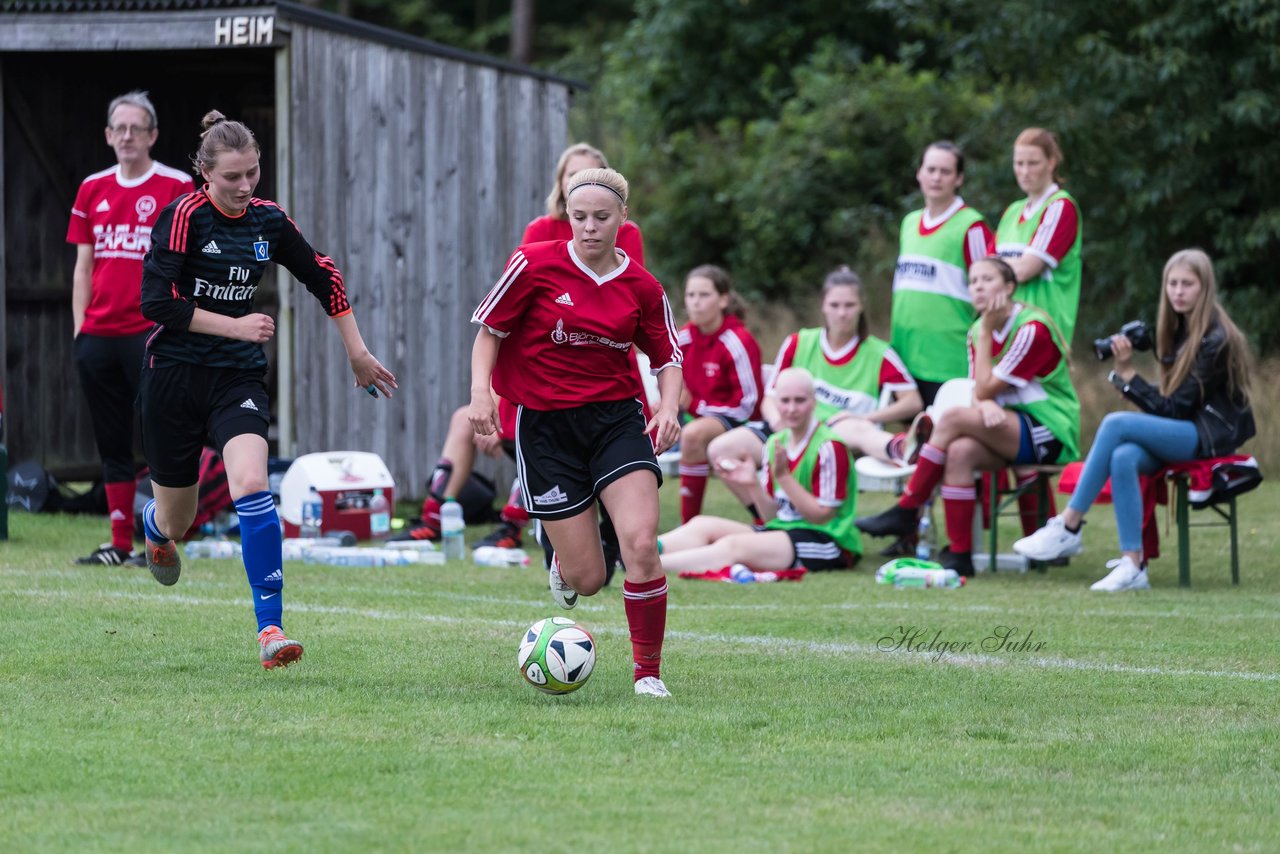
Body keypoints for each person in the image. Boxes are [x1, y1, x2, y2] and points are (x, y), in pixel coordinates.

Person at [138, 110, 396, 668]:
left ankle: (270, 629)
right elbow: (156, 303)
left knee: (253, 484)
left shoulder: (267, 220)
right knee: (178, 519)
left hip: (236, 376)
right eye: (232, 177)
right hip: (174, 377)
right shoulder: (183, 217)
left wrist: (357, 350)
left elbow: (322, 274)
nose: (245, 186)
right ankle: (154, 525)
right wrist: (235, 323)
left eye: (253, 173)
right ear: (205, 175)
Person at [469, 166, 683, 698]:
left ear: (622, 219)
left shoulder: (642, 286)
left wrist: (669, 407)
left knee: (640, 545)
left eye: (601, 218)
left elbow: (668, 356)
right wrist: (480, 394)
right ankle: (566, 562)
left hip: (616, 420)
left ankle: (648, 674)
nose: (588, 227)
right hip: (546, 430)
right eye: (578, 216)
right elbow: (489, 332)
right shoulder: (534, 264)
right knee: (591, 580)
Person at [1013, 249, 1256, 591]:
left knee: (1115, 424)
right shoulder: (1180, 329)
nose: (1178, 291)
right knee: (1123, 456)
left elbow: (1175, 410)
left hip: (1209, 436)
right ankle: (1133, 565)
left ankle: (1068, 526)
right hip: (1188, 429)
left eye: (1188, 284)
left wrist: (1127, 376)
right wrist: (1129, 374)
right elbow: (1175, 403)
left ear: (1205, 289)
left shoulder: (1216, 339)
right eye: (1172, 283)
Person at [855, 256, 1080, 576]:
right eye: (973, 281)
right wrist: (984, 398)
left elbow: (985, 388)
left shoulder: (1031, 329)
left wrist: (987, 345)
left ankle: (907, 508)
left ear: (1010, 288)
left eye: (987, 280)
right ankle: (960, 555)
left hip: (1050, 429)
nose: (978, 287)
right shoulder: (976, 329)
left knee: (951, 419)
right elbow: (979, 391)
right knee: (959, 452)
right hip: (1004, 425)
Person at [66, 91, 193, 566]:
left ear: (152, 135)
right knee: (111, 438)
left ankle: (160, 539)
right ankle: (118, 544)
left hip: (153, 334)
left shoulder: (177, 186)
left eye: (136, 128)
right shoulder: (92, 188)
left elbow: (191, 261)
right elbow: (82, 266)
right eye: (118, 128)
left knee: (160, 434)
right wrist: (80, 331)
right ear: (107, 135)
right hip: (98, 336)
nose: (126, 136)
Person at [707, 266, 921, 526]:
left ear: (861, 307)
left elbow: (913, 402)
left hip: (836, 435)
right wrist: (779, 425)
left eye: (849, 305)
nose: (842, 313)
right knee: (720, 450)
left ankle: (903, 448)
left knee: (853, 426)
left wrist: (867, 416)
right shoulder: (799, 342)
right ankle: (768, 518)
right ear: (823, 306)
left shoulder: (879, 352)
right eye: (835, 304)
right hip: (787, 427)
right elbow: (770, 398)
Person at [659, 367, 860, 575]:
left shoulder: (829, 447)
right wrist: (752, 485)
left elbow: (822, 517)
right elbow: (772, 516)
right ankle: (635, 553)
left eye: (800, 400)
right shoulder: (775, 443)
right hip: (784, 529)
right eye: (785, 401)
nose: (791, 409)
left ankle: (650, 565)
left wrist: (784, 477)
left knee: (733, 546)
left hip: (827, 541)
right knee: (702, 525)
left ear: (814, 402)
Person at [891, 140, 995, 406]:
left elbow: (991, 294)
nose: (937, 177)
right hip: (905, 355)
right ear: (919, 173)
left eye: (946, 172)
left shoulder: (971, 226)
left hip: (949, 360)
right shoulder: (909, 223)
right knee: (911, 438)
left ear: (958, 178)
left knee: (945, 440)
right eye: (931, 169)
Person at [675, 264, 763, 523]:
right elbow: (666, 377)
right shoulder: (682, 339)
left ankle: (688, 525)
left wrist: (696, 406)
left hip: (743, 422)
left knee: (692, 436)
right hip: (696, 416)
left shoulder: (737, 340)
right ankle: (617, 533)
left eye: (704, 295)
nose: (696, 303)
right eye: (691, 295)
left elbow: (748, 405)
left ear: (723, 300)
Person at [995, 127, 1083, 344]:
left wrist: (998, 266)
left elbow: (1025, 270)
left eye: (1032, 163)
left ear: (1051, 162)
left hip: (1041, 337)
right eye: (1019, 163)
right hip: (1006, 332)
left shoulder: (1059, 207)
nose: (1024, 171)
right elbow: (985, 268)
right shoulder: (1012, 212)